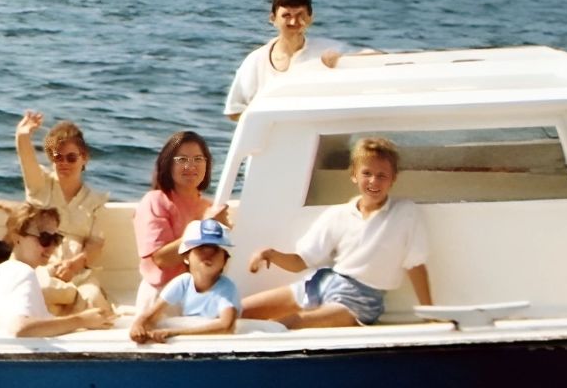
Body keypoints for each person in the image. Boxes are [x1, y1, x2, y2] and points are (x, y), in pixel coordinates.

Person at [243, 137, 432, 328]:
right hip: (322, 284)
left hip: (360, 302)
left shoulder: (405, 212)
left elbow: (415, 265)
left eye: (382, 175)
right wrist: (271, 254)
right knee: (238, 311)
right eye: (367, 173)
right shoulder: (337, 214)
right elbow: (301, 261)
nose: (374, 181)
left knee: (285, 324)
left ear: (393, 179)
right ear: (354, 175)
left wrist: (429, 313)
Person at [13, 111, 108, 313]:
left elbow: (96, 244)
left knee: (93, 302)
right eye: (58, 157)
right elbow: (26, 159)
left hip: (78, 274)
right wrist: (23, 135)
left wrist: (74, 264)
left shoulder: (95, 201)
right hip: (39, 269)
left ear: (84, 158)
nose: (64, 163)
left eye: (71, 157)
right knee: (45, 292)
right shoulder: (39, 185)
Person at [0, 206, 117, 337]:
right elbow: (20, 328)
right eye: (45, 238)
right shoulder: (23, 273)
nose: (52, 247)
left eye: (56, 239)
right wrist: (81, 320)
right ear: (17, 238)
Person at [225, 0, 356, 121]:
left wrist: (343, 61)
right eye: (286, 15)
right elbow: (234, 110)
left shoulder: (329, 51)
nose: (294, 21)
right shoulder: (255, 61)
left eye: (300, 15)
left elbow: (372, 58)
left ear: (311, 18)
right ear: (273, 18)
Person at [133, 130, 231, 307]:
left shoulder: (210, 207)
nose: (191, 166)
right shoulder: (155, 201)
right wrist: (204, 227)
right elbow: (162, 259)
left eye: (198, 159)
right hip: (163, 296)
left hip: (201, 295)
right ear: (167, 164)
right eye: (182, 160)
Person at [131, 219, 242, 344]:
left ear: (225, 260)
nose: (208, 255)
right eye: (201, 249)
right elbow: (151, 315)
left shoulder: (226, 288)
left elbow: (226, 327)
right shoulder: (183, 282)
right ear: (186, 256)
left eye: (215, 250)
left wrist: (173, 333)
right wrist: (138, 326)